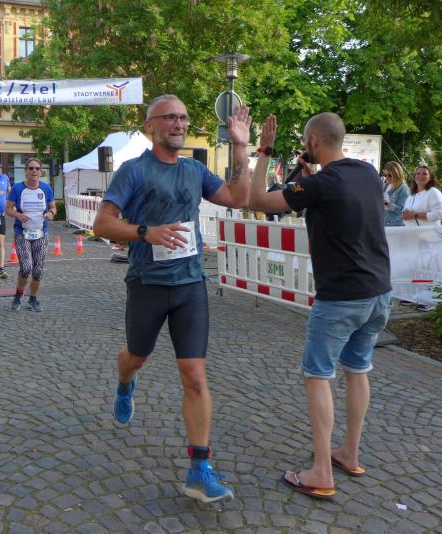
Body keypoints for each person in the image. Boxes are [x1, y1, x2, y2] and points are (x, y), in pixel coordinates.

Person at [92, 94, 254, 504]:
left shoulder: (194, 170)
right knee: (136, 357)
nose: (179, 124)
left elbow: (238, 198)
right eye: (170, 118)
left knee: (195, 376)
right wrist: (146, 232)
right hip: (147, 283)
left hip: (190, 285)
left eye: (183, 117)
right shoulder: (133, 171)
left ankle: (199, 469)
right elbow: (102, 224)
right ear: (150, 126)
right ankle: (125, 382)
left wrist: (240, 146)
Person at [246, 112, 392, 500]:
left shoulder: (320, 183)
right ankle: (349, 453)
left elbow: (256, 200)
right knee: (357, 369)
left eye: (305, 141)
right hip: (379, 292)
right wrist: (306, 177)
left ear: (312, 141)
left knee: (317, 375)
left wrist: (264, 150)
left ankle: (321, 471)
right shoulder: (366, 173)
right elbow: (336, 200)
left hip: (341, 296)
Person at [6, 157, 56, 312]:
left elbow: (53, 208)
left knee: (38, 270)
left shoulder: (46, 188)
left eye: (37, 168)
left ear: (41, 172)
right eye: (31, 168)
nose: (34, 171)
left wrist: (51, 213)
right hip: (22, 233)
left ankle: (33, 299)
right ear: (26, 171)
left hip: (41, 233)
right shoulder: (17, 188)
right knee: (26, 268)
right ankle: (18, 296)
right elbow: (8, 209)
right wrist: (19, 215)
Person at [382, 161, 409, 226]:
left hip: (396, 225)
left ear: (397, 174)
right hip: (384, 224)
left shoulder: (404, 189)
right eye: (385, 175)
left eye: (389, 175)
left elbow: (403, 211)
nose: (387, 177)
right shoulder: (385, 186)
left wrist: (387, 204)